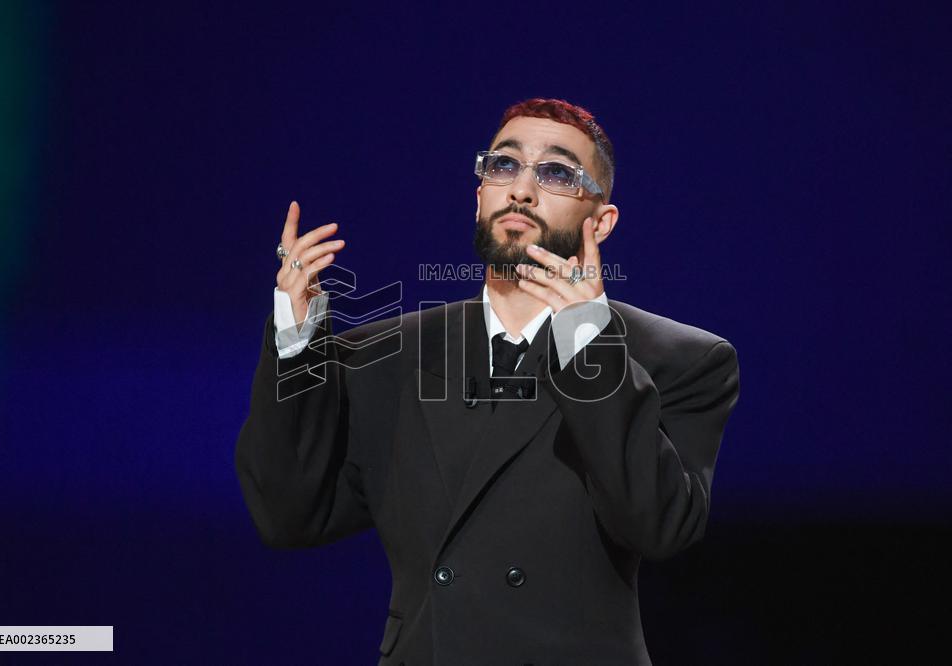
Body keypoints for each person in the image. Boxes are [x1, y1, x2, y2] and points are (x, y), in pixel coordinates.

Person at [235, 98, 741, 665]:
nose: (521, 188)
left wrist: (586, 343)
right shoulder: (385, 357)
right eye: (504, 166)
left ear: (601, 221)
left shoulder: (682, 360)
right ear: (479, 197)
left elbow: (660, 527)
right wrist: (296, 339)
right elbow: (287, 515)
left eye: (555, 173)